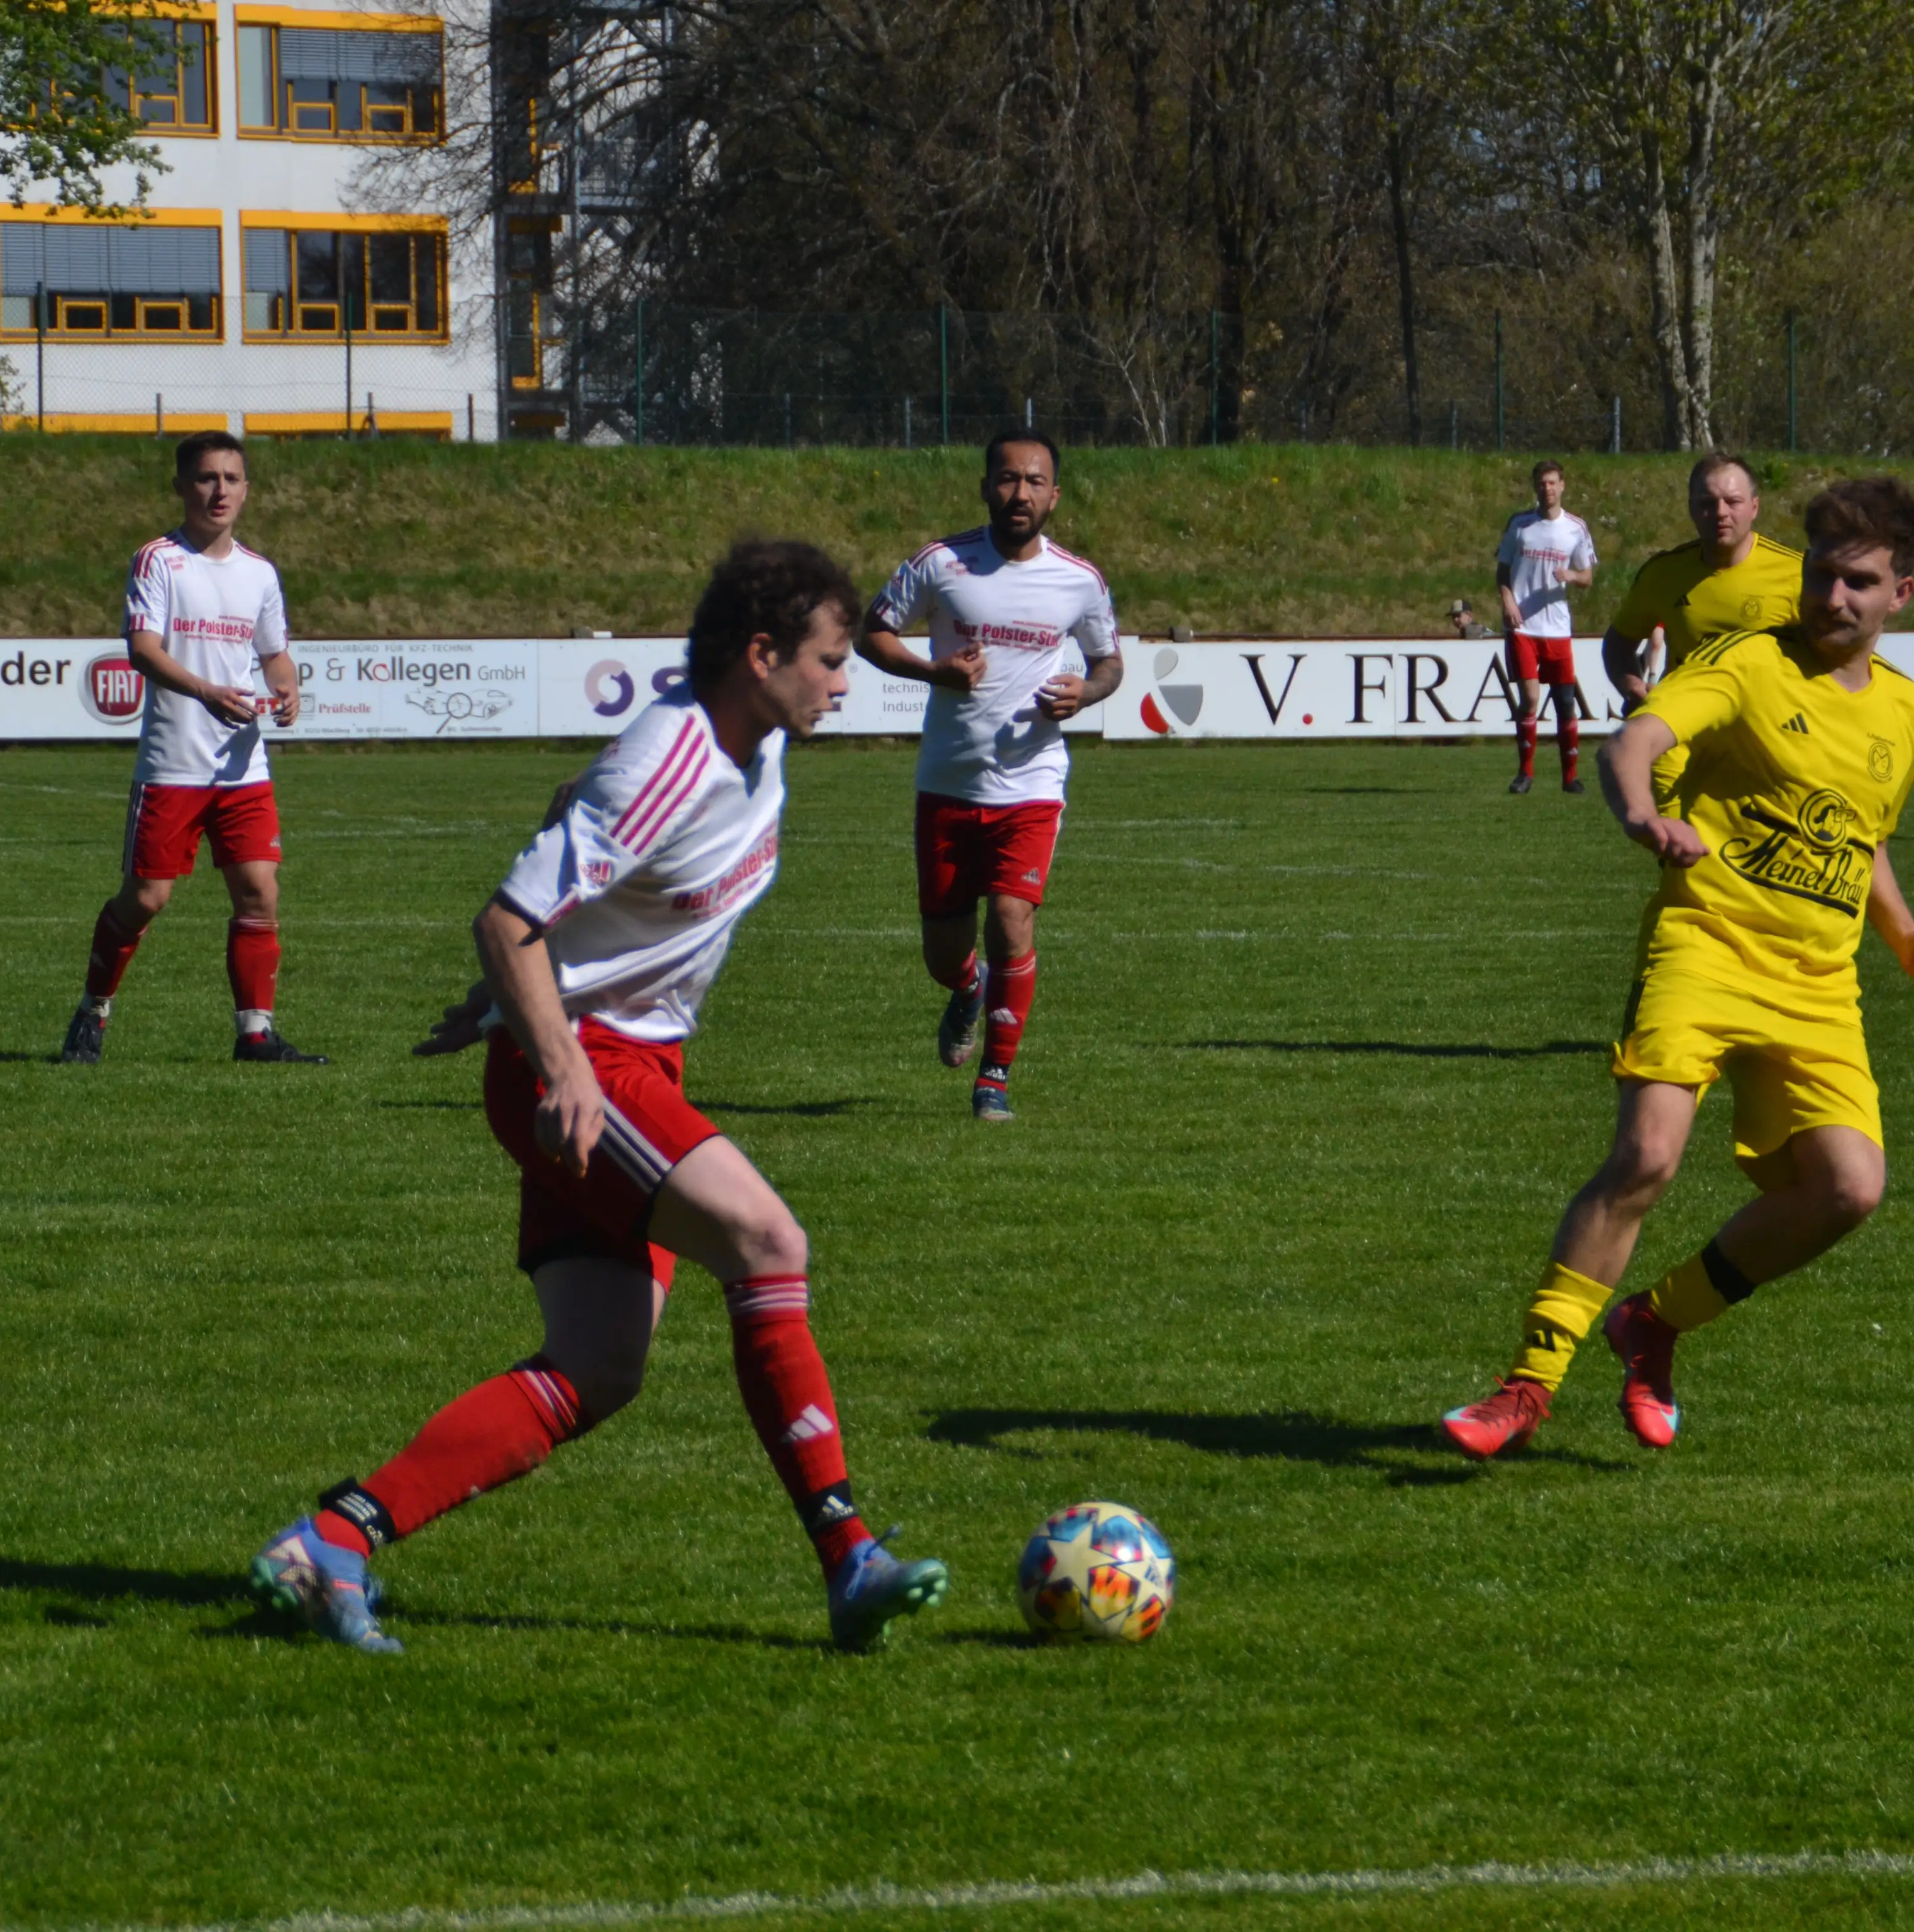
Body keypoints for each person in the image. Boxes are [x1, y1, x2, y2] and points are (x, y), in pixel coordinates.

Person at [248, 540, 951, 1655]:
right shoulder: (673, 753)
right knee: (768, 1241)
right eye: (826, 657)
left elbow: (570, 810)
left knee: (598, 1365)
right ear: (760, 653)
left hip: (614, 1059)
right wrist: (548, 1040)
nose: (843, 677)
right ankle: (848, 1556)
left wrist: (507, 999)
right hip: (586, 1068)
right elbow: (505, 917)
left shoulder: (746, 740)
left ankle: (331, 1541)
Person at [1441, 477, 1914, 1460]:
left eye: (1859, 583)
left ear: (1901, 595)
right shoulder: (1749, 662)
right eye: (1822, 575)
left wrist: (1905, 941)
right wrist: (1645, 815)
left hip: (1817, 980)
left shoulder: (1907, 714)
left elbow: (1862, 840)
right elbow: (1638, 740)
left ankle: (1656, 1322)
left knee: (1850, 1189)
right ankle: (1527, 1385)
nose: (1833, 598)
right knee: (1647, 1155)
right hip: (1708, 940)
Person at [858, 432, 1124, 1123]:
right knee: (944, 955)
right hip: (948, 782)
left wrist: (1085, 694)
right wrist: (932, 670)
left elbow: (1109, 663)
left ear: (1055, 495)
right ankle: (967, 988)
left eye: (1036, 482)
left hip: (1032, 784)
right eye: (1008, 479)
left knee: (1012, 921)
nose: (1021, 493)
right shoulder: (941, 564)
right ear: (985, 487)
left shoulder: (1080, 581)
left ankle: (995, 1078)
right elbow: (873, 632)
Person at [60, 431, 323, 1065]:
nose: (220, 490)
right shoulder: (158, 560)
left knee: (260, 891)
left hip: (242, 767)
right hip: (173, 764)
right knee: (146, 898)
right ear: (181, 486)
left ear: (247, 488)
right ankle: (93, 1010)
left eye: (232, 478)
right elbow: (142, 649)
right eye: (206, 478)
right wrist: (205, 691)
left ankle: (256, 1033)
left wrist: (287, 690)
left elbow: (274, 653)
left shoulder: (259, 573)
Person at [1598, 452, 1806, 814]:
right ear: (1692, 509)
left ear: (1755, 507)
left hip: (1769, 745)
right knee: (1680, 854)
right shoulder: (1664, 574)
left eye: (1733, 501)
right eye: (1708, 503)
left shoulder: (1798, 574)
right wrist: (1634, 688)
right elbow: (1619, 641)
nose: (1721, 512)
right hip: (1680, 745)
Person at [1494, 460, 1598, 793]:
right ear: (1535, 487)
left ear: (1563, 486)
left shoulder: (1576, 528)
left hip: (1557, 628)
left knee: (1566, 702)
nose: (1547, 489)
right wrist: (1508, 601)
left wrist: (1572, 576)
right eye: (1542, 483)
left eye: (1553, 483)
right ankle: (1525, 773)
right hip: (1523, 627)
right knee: (1530, 697)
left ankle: (1570, 778)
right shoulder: (1521, 524)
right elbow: (1502, 570)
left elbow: (1588, 577)